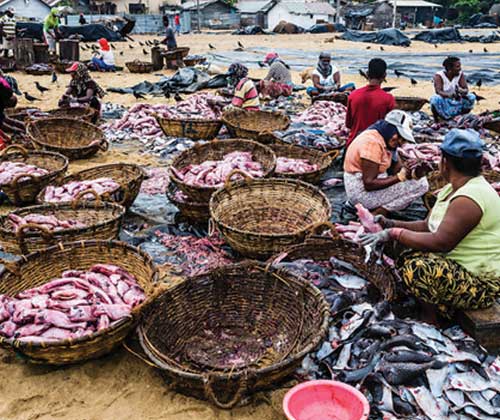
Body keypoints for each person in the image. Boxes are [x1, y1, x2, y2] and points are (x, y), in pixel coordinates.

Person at [360, 129, 500, 315]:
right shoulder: (452, 189)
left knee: (417, 270)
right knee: (402, 248)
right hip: (454, 264)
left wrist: (394, 233)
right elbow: (427, 226)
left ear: (445, 162)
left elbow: (441, 242)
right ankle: (437, 303)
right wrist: (389, 223)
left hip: (479, 281)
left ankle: (432, 318)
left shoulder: (470, 197)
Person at [343, 110, 429, 215]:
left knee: (419, 179)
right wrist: (400, 177)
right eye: (399, 136)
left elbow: (394, 170)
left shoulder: (384, 139)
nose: (400, 141)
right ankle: (376, 213)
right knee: (422, 185)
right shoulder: (372, 143)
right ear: (390, 130)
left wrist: (412, 170)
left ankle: (372, 209)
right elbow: (369, 184)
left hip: (371, 185)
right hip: (361, 192)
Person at [346, 58, 395, 148]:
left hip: (353, 144)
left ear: (367, 74)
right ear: (384, 76)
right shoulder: (388, 99)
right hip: (376, 146)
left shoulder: (353, 95)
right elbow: (390, 129)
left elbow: (348, 124)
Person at [430, 56, 476, 121]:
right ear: (449, 68)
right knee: (435, 99)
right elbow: (438, 91)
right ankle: (441, 118)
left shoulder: (460, 74)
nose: (460, 69)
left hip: (457, 100)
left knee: (471, 97)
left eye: (460, 66)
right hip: (445, 100)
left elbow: (465, 89)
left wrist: (461, 91)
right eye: (457, 66)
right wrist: (449, 95)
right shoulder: (439, 75)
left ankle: (462, 116)